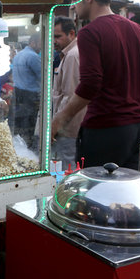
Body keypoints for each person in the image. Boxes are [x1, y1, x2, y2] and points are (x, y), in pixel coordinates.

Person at [51, 0, 140, 169]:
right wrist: (130, 103)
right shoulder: (136, 29)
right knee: (128, 193)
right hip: (138, 128)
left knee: (97, 195)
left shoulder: (90, 32)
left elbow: (91, 84)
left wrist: (61, 118)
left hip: (106, 131)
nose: (73, 5)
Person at [51, 16, 86, 167]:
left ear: (71, 34)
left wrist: (56, 124)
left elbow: (71, 97)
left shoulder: (73, 56)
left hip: (68, 129)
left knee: (67, 169)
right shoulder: (68, 54)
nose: (54, 41)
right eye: (52, 36)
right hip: (66, 127)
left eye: (58, 36)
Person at [11, 33, 42, 149]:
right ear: (33, 42)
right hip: (30, 97)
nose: (40, 46)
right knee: (28, 127)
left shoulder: (18, 55)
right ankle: (27, 151)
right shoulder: (33, 57)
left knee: (18, 127)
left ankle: (19, 149)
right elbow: (43, 77)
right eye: (39, 43)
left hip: (17, 94)